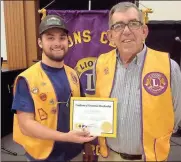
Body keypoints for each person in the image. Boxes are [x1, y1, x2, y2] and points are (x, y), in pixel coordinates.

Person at [92, 2, 181, 161]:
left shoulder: (169, 67)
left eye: (133, 24)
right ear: (110, 35)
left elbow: (176, 114)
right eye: (118, 26)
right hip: (108, 157)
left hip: (150, 158)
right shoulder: (100, 64)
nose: (126, 31)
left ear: (144, 31)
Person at [12, 14, 96, 162]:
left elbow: (82, 112)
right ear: (40, 42)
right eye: (50, 38)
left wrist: (87, 144)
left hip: (74, 152)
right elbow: (26, 125)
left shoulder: (73, 74)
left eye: (62, 37)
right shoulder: (27, 79)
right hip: (42, 155)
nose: (57, 43)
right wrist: (65, 137)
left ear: (68, 41)